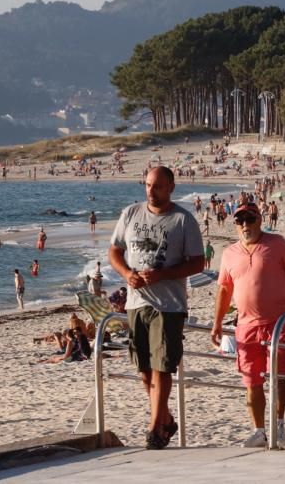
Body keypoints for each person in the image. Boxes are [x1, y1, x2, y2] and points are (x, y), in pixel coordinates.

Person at [211, 201, 285, 449]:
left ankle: (278, 424)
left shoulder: (276, 244)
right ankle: (258, 431)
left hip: (277, 324)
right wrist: (216, 323)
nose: (245, 225)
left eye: (250, 219)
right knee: (251, 380)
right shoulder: (229, 253)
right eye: (240, 220)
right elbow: (225, 289)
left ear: (259, 220)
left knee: (277, 376)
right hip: (245, 326)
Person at [108, 166, 205, 450]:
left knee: (162, 366)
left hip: (168, 305)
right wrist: (127, 274)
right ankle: (166, 419)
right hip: (136, 302)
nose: (151, 190)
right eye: (148, 185)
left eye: (158, 186)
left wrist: (162, 274)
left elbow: (198, 262)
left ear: (171, 187)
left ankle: (154, 429)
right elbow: (114, 251)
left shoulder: (183, 220)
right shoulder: (130, 213)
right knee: (144, 370)